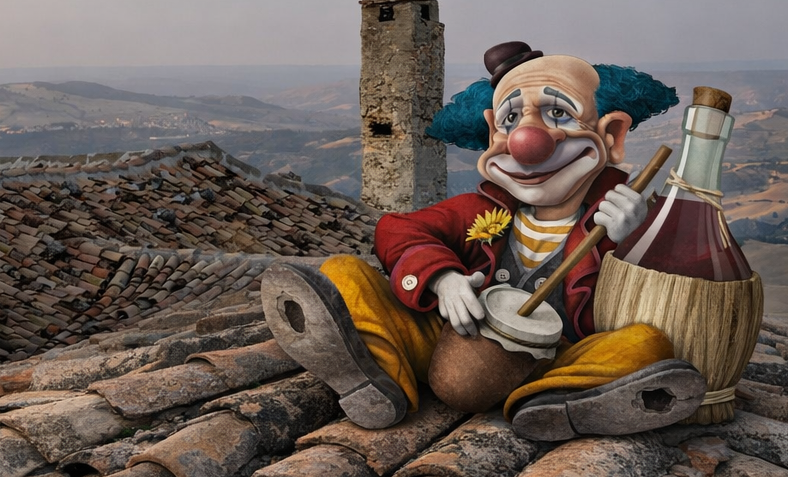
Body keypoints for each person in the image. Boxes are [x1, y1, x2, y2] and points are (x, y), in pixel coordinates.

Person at [262, 41, 706, 439]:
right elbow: (396, 228)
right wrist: (442, 278)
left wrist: (638, 241)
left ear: (611, 135)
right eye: (511, 120)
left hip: (550, 364)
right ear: (494, 132)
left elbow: (684, 288)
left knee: (647, 342)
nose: (527, 141)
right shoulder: (481, 211)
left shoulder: (622, 224)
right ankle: (379, 379)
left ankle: (553, 403)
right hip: (447, 345)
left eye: (558, 114)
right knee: (342, 272)